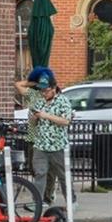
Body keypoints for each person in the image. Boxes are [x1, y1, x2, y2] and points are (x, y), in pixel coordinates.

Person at [16, 66, 74, 206]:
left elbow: (66, 121)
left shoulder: (62, 101)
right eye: (42, 90)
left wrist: (45, 115)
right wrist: (36, 81)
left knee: (59, 175)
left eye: (46, 90)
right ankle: (38, 202)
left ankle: (66, 201)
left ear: (54, 88)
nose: (44, 93)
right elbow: (18, 85)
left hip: (57, 144)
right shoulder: (37, 97)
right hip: (39, 143)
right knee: (39, 173)